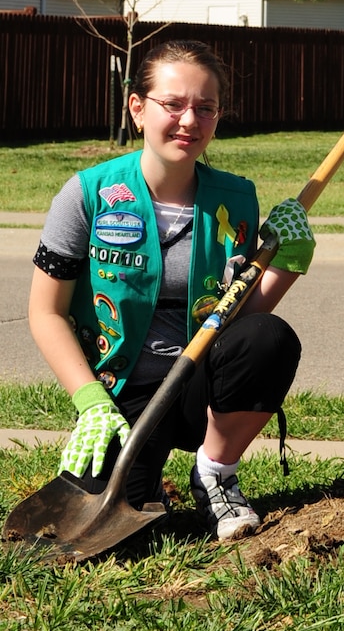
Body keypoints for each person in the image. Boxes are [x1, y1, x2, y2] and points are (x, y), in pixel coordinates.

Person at [29, 40, 315, 541]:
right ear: (138, 108)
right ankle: (131, 464)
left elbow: (239, 320)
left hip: (197, 381)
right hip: (122, 389)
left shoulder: (235, 199)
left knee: (269, 338)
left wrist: (285, 265)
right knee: (130, 531)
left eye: (206, 108)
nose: (190, 120)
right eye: (174, 104)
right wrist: (90, 401)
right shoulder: (88, 194)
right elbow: (46, 312)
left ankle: (215, 473)